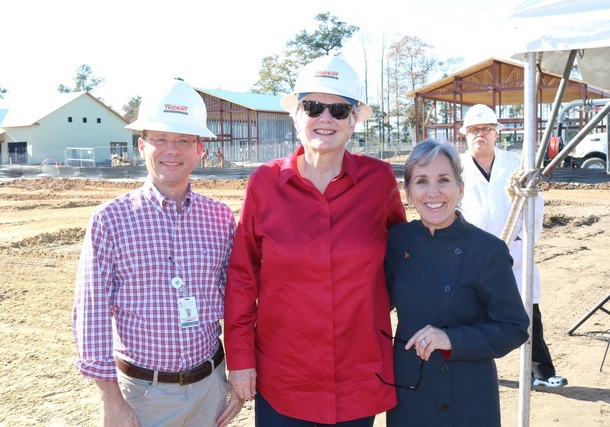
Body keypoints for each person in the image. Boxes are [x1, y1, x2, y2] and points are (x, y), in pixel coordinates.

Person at [224, 55, 407, 426]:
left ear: (353, 120)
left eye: (339, 109)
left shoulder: (379, 181)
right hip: (285, 379)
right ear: (296, 115)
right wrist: (241, 361)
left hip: (358, 376)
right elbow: (243, 278)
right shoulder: (264, 183)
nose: (325, 118)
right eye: (313, 106)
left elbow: (404, 260)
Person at [72, 79, 243, 427]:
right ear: (141, 146)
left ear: (200, 149)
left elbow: (240, 302)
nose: (172, 150)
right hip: (142, 398)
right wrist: (110, 400)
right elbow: (91, 314)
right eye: (160, 139)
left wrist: (239, 373)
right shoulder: (111, 220)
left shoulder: (220, 217)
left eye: (183, 140)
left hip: (210, 390)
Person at [384, 139, 529, 426]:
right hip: (409, 391)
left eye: (444, 180)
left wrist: (451, 338)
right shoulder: (396, 241)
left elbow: (514, 328)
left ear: (460, 188)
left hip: (467, 395)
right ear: (408, 192)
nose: (433, 192)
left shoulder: (487, 250)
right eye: (422, 181)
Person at [458, 104, 568, 388]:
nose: (479, 134)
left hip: (514, 254)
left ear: (496, 133)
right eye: (473, 130)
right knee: (469, 315)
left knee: (528, 313)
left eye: (485, 129)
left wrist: (527, 243)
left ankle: (541, 372)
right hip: (471, 255)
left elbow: (535, 206)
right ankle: (470, 370)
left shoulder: (516, 164)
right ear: (465, 135)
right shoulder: (455, 166)